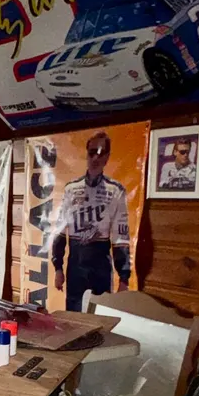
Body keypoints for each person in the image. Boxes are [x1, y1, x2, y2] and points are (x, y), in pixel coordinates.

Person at [50, 131, 131, 311]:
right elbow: (60, 230)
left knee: (100, 313)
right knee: (74, 313)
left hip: (100, 266)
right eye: (92, 152)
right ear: (86, 154)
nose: (95, 158)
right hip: (76, 264)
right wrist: (58, 268)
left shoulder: (116, 191)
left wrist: (124, 278)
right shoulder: (71, 189)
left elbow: (121, 237)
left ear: (107, 157)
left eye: (101, 154)